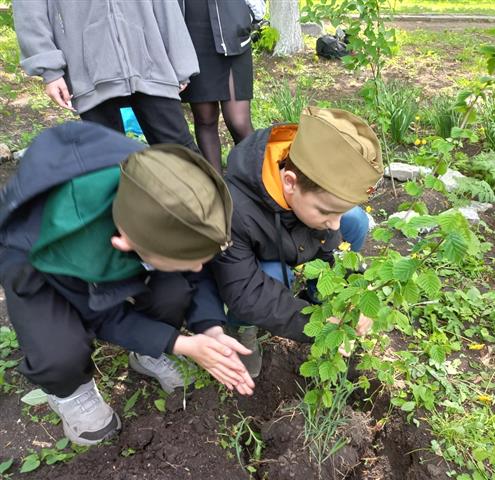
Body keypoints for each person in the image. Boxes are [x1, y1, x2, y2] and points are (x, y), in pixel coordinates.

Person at [0, 121, 254, 446]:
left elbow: (197, 265)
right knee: (58, 352)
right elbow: (101, 316)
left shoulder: (162, 191)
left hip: (122, 233)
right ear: (125, 243)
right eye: (186, 258)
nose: (197, 266)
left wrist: (210, 327)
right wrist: (183, 345)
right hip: (37, 261)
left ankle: (147, 352)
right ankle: (70, 391)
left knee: (176, 288)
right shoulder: (67, 246)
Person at [211, 107, 383, 377]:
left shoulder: (312, 185)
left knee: (355, 221)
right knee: (272, 277)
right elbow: (244, 290)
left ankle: (320, 297)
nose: (334, 223)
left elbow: (336, 244)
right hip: (257, 261)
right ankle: (241, 328)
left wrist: (358, 292)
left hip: (295, 236)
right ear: (289, 183)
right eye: (326, 211)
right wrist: (314, 324)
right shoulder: (232, 211)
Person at [12, 1, 200, 150]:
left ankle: (204, 199)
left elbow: (166, 5)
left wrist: (180, 60)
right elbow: (30, 11)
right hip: (88, 70)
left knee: (180, 152)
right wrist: (50, 71)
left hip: (151, 64)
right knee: (106, 162)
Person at [180, 0, 260, 173]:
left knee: (239, 122)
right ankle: (218, 190)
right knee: (205, 118)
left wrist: (252, 12)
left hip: (232, 29)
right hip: (192, 31)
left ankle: (260, 185)